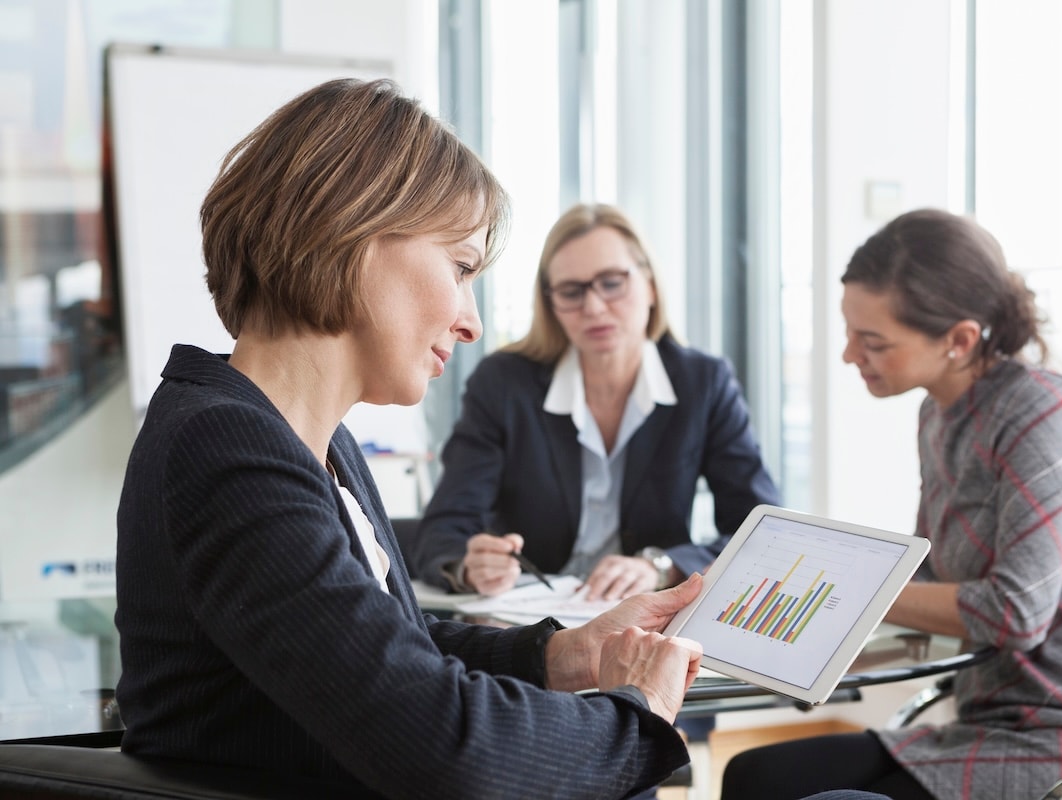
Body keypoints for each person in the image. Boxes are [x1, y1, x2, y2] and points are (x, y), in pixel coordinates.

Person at [113, 77, 710, 800]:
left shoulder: (307, 442)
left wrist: (565, 654)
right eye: (461, 268)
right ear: (349, 230)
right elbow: (441, 745)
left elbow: (391, 648)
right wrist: (639, 716)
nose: (471, 322)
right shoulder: (226, 447)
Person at [721, 209, 1062, 800]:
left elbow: (1014, 614)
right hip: (990, 724)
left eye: (873, 342)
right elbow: (932, 572)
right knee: (754, 775)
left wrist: (843, 592)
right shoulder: (938, 416)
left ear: (959, 340)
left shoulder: (1043, 412)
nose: (847, 355)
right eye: (849, 332)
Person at [411, 202, 780, 600]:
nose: (593, 307)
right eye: (571, 291)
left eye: (612, 283)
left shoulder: (703, 383)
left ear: (651, 285)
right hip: (529, 622)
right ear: (552, 305)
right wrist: (470, 566)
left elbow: (762, 531)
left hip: (649, 616)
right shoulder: (503, 383)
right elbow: (442, 532)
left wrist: (661, 565)